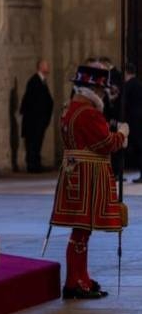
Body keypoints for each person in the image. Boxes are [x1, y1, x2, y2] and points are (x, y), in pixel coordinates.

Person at [49, 62, 128, 299]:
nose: (104, 94)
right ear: (94, 89)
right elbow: (105, 144)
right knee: (81, 231)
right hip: (88, 177)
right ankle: (74, 280)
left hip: (76, 174)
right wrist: (122, 134)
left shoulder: (70, 108)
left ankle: (81, 276)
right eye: (102, 90)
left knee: (81, 231)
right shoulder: (88, 113)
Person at [19, 59, 54, 173]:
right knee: (33, 142)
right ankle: (32, 165)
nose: (47, 67)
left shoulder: (42, 81)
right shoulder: (34, 81)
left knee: (37, 142)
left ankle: (36, 164)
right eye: (45, 65)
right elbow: (31, 101)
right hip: (34, 120)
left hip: (40, 120)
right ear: (40, 67)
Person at [123, 63, 142, 183]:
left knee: (138, 147)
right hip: (140, 119)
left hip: (133, 121)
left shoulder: (128, 85)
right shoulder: (139, 83)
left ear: (126, 72)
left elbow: (124, 104)